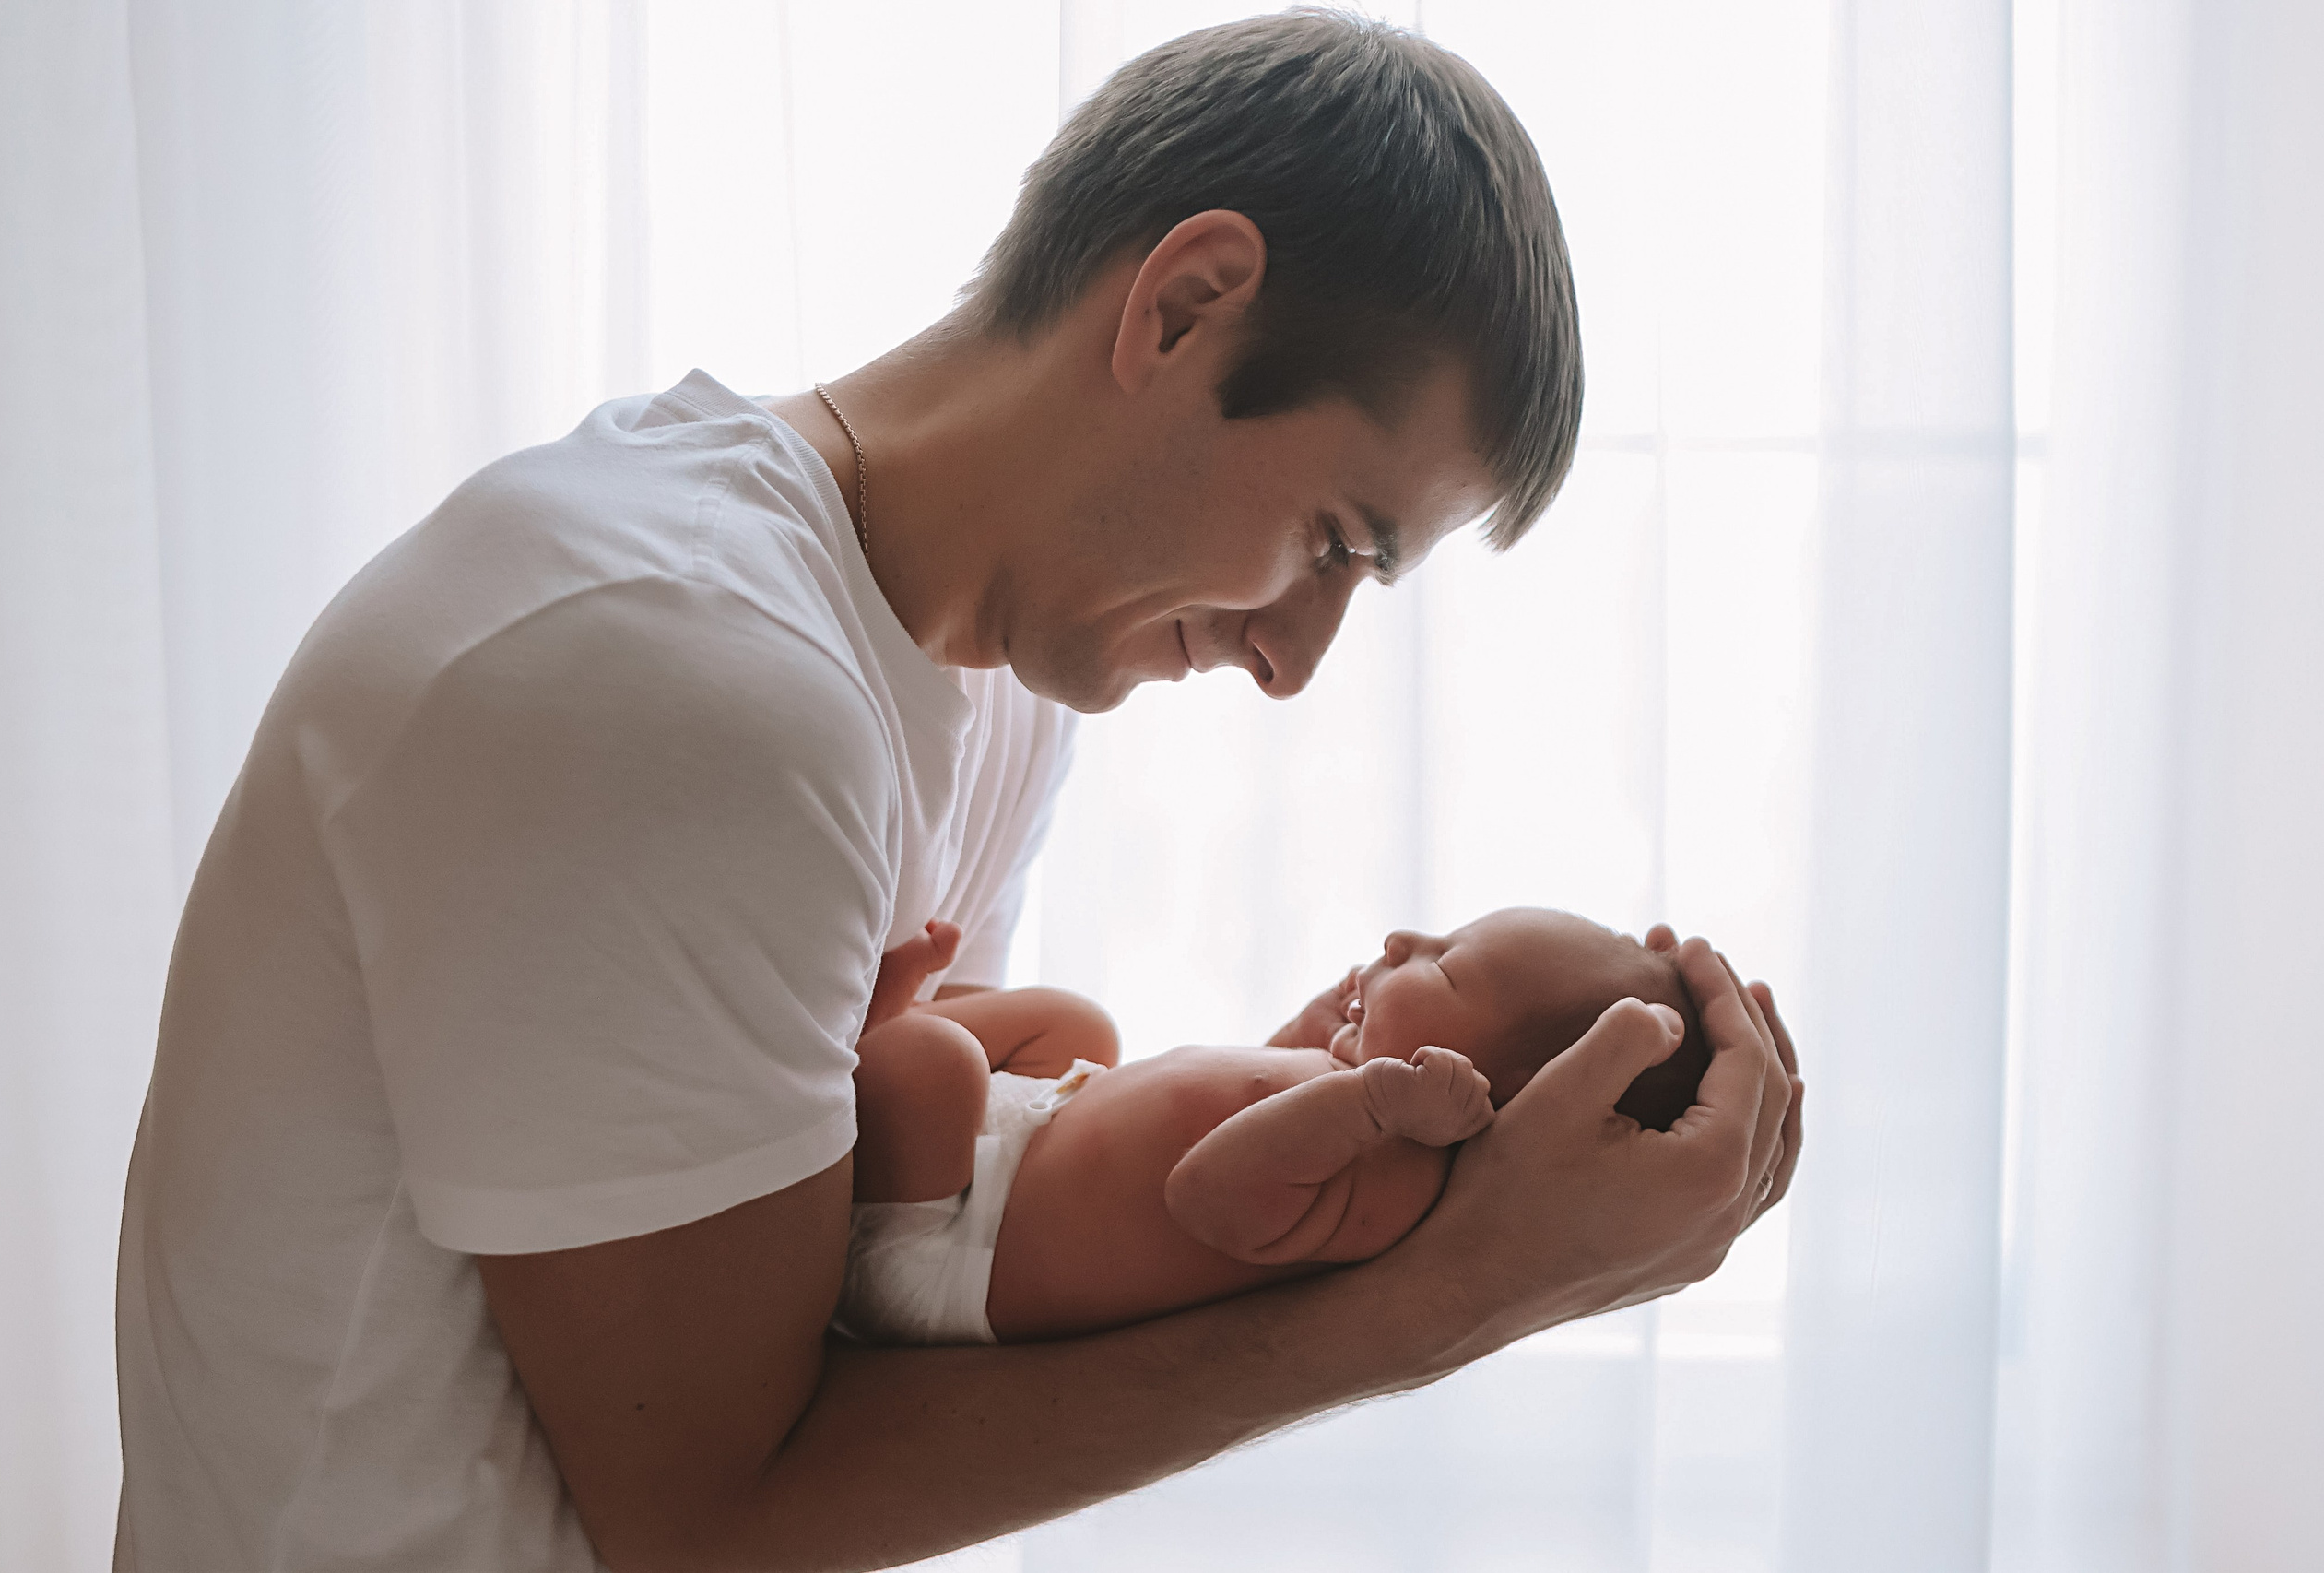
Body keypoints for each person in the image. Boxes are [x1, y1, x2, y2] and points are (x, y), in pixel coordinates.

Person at [113, 12, 1800, 1572]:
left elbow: (878, 1269)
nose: (1297, 659)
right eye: (1332, 544)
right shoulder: (674, 679)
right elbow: (710, 1512)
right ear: (1187, 303)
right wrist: (1437, 1300)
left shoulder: (990, 690)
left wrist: (1240, 1145)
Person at [839, 908, 1715, 1347]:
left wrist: (1369, 1101)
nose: (1405, 937)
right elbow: (1232, 1101)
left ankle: (868, 1042)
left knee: (934, 1067)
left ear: (1487, 1092)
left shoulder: (1396, 1184)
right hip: (1025, 1144)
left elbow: (1208, 1193)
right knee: (1080, 1025)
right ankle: (895, 1044)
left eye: (1446, 965)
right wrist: (1310, 1037)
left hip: (953, 1254)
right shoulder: (1350, 1113)